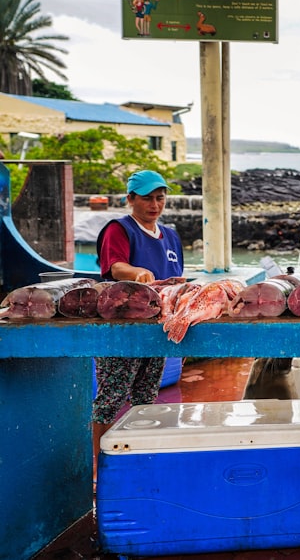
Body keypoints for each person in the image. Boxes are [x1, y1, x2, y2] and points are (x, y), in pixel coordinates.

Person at [92, 170, 184, 479]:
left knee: (147, 395)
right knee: (110, 398)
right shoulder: (119, 229)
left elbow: (177, 278)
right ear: (130, 199)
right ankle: (100, 470)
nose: (154, 204)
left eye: (160, 198)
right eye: (146, 198)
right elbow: (114, 267)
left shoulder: (171, 236)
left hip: (156, 329)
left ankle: (139, 459)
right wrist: (136, 272)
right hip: (122, 329)